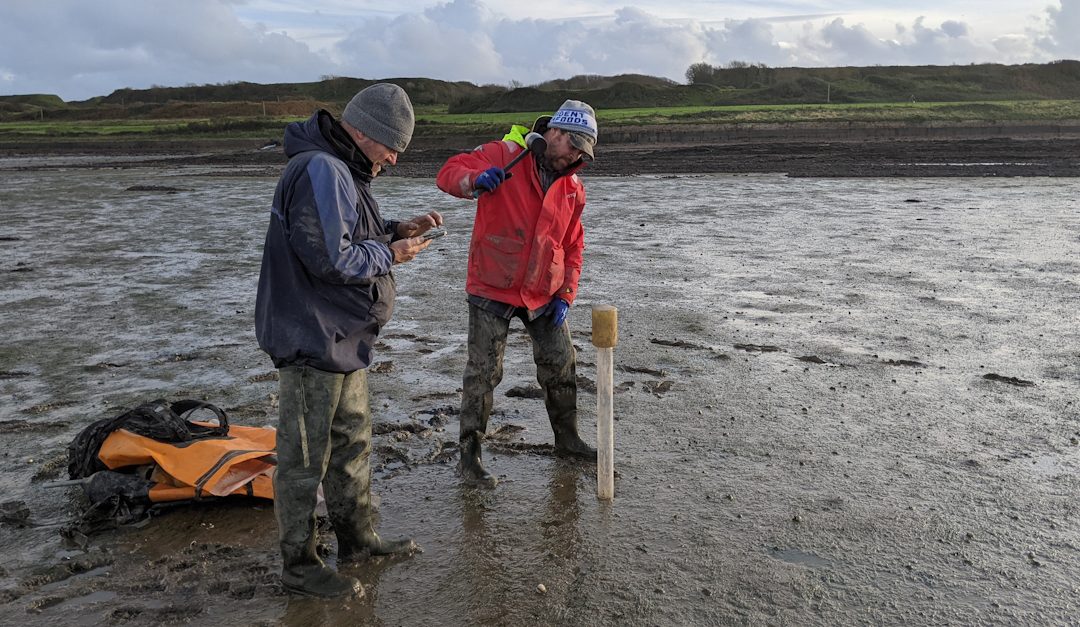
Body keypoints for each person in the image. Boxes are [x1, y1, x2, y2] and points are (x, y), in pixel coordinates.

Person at [255, 83, 441, 598]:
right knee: (304, 459)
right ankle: (299, 565)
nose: (395, 157)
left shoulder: (342, 169)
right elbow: (331, 257)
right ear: (364, 132)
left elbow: (352, 229)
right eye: (391, 145)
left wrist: (396, 226)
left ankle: (357, 540)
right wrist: (394, 254)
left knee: (351, 443)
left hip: (342, 337)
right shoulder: (320, 168)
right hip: (312, 337)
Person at [436, 99, 600, 488]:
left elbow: (574, 243)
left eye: (583, 150)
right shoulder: (503, 154)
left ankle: (568, 440)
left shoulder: (574, 189)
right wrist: (474, 181)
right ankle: (470, 455)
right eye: (573, 145)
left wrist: (567, 293)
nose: (576, 155)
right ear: (554, 133)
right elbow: (448, 172)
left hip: (545, 292)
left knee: (561, 362)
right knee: (483, 372)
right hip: (492, 283)